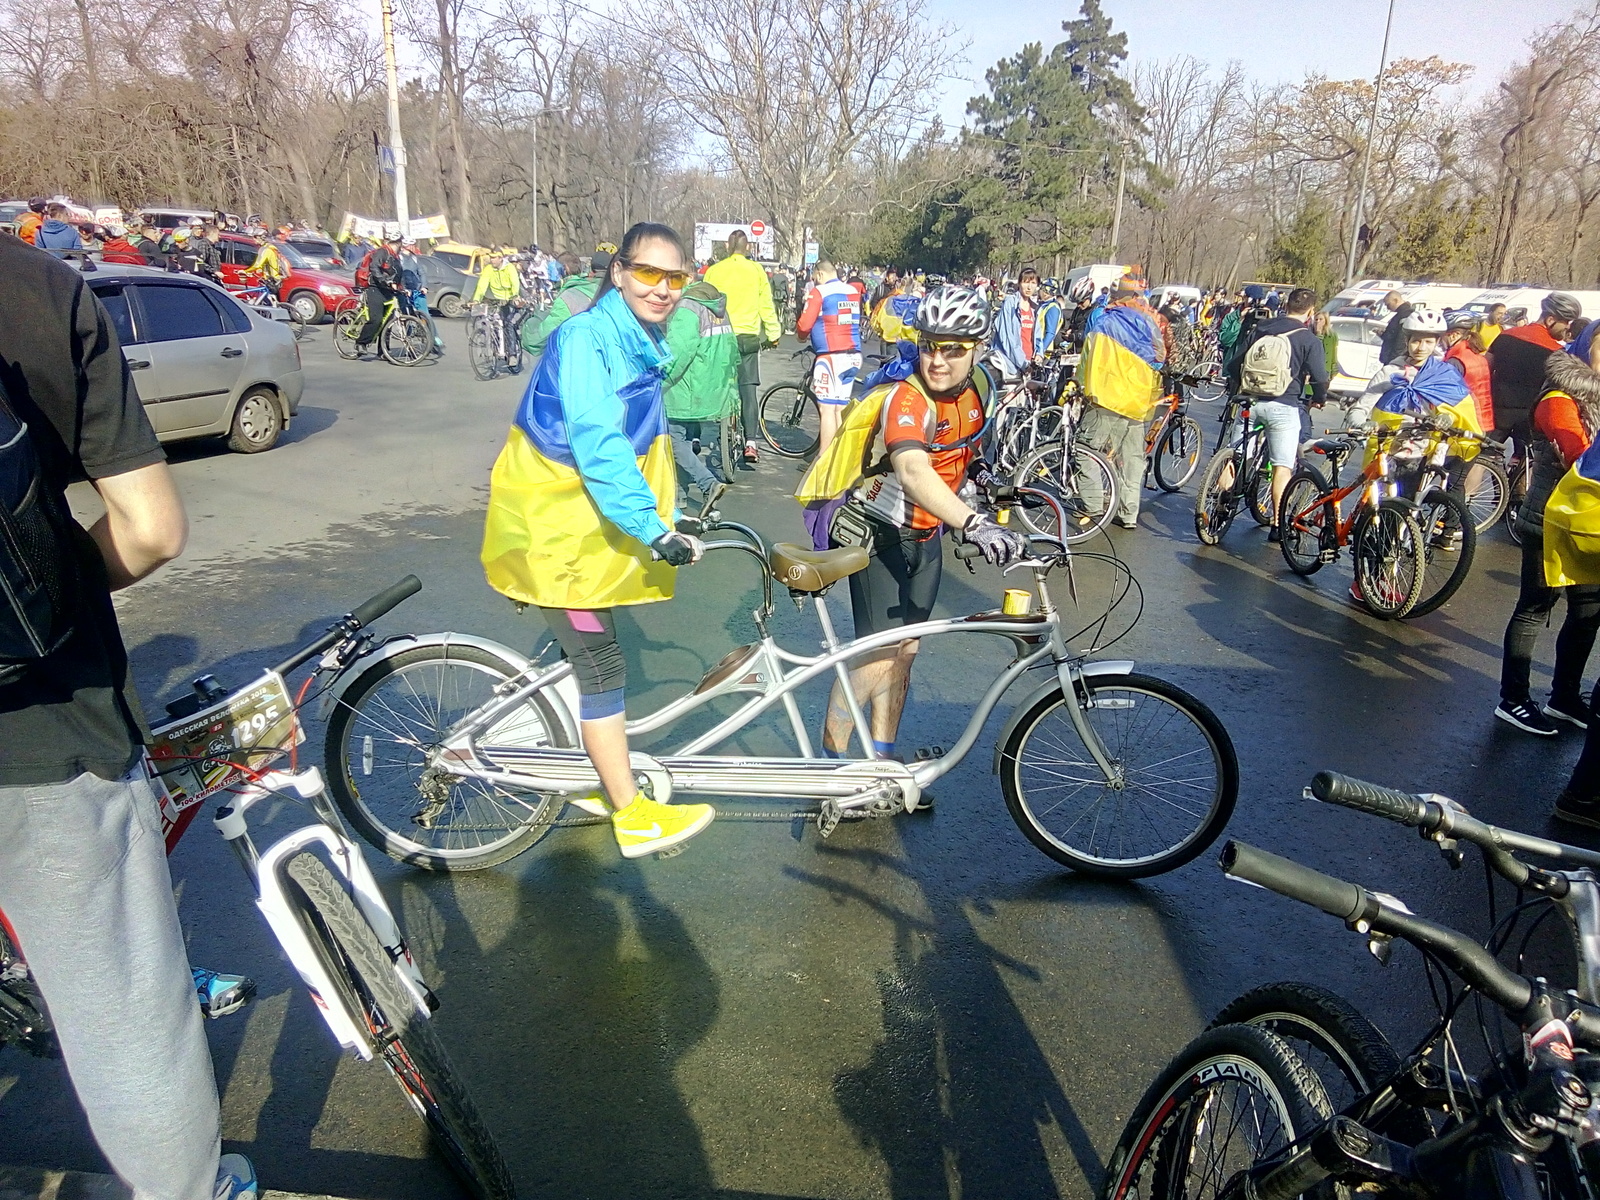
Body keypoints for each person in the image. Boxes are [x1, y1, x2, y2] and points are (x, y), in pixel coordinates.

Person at [0, 233, 258, 1200]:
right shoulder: (37, 291)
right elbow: (152, 527)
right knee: (125, 1006)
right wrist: (63, 599)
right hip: (42, 726)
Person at [480, 222, 715, 857]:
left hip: (581, 531)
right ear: (618, 272)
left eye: (675, 278)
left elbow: (647, 442)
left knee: (589, 666)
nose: (661, 289)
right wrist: (653, 532)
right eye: (647, 274)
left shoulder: (637, 338)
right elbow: (600, 446)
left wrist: (681, 502)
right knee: (604, 668)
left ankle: (591, 772)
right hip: (558, 534)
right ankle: (632, 814)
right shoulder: (588, 338)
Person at [819, 285, 1028, 759]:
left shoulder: (981, 388)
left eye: (953, 348)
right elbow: (913, 470)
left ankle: (883, 765)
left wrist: (979, 474)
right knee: (874, 658)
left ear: (978, 348)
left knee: (906, 653)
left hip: (926, 537)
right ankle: (831, 770)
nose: (937, 359)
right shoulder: (906, 399)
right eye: (930, 344)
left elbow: (966, 445)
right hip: (879, 534)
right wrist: (973, 523)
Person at [1496, 352, 1600, 740]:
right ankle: (1513, 698)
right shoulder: (1558, 398)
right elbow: (1580, 457)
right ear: (1586, 349)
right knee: (1535, 607)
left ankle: (1565, 697)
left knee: (1588, 609)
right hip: (1551, 522)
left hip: (1590, 527)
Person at [1077, 273, 1169, 530]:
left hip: (1107, 398)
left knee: (1086, 450)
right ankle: (1128, 513)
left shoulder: (1104, 321)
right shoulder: (1150, 322)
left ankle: (1095, 505)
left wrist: (1081, 385)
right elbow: (1159, 358)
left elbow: (1088, 357)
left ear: (1116, 296)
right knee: (1131, 458)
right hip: (1138, 400)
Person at [1236, 288, 1329, 534]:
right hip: (1284, 405)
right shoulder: (1309, 340)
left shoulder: (1262, 328)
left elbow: (1238, 360)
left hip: (1251, 401)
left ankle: (1217, 500)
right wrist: (1319, 398)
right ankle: (1278, 524)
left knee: (1236, 456)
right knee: (1282, 466)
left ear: (1286, 305)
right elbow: (1320, 378)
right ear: (1310, 311)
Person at [703, 230, 780, 468]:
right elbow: (765, 304)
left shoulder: (714, 271)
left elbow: (705, 303)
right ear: (747, 248)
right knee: (748, 391)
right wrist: (774, 333)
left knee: (721, 384)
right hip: (747, 337)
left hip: (721, 336)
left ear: (728, 246)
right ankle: (751, 442)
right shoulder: (756, 270)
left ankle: (720, 424)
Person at [664, 280, 738, 501]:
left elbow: (677, 355)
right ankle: (680, 496)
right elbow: (731, 348)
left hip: (685, 389)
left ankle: (708, 484)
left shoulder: (688, 308)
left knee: (673, 440)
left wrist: (657, 381)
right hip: (709, 387)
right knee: (683, 441)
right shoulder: (717, 307)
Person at [1489, 292, 1581, 452]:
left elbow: (1485, 369)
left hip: (1497, 410)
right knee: (1528, 463)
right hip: (1530, 416)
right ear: (1550, 320)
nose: (1567, 327)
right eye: (1566, 322)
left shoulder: (1505, 336)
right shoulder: (1557, 352)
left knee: (1480, 458)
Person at [795, 261, 863, 454]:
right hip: (853, 354)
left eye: (815, 277)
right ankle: (839, 457)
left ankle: (824, 460)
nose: (815, 281)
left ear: (820, 274)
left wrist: (801, 337)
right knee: (839, 408)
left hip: (830, 356)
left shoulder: (819, 292)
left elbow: (805, 325)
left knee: (826, 410)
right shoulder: (851, 291)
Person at [524, 251, 609, 360]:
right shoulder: (620, 292)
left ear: (565, 269)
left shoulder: (568, 298)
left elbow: (536, 342)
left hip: (580, 363)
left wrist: (533, 321)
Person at [355, 229, 405, 358]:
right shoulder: (382, 251)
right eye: (401, 243)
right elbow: (374, 267)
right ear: (398, 243)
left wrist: (402, 288)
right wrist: (385, 281)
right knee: (376, 319)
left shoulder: (396, 256)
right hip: (375, 288)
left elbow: (398, 274)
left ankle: (383, 351)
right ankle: (361, 343)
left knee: (387, 322)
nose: (402, 245)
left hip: (389, 291)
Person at [1442, 310, 1493, 432]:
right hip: (1483, 421)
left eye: (1441, 336)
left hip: (1466, 422)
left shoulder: (1455, 361)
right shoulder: (1477, 355)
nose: (1440, 342)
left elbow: (1445, 396)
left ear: (1453, 335)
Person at [472, 246, 525, 358]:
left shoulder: (509, 268)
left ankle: (512, 354)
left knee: (508, 324)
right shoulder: (488, 269)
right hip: (496, 301)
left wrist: (514, 296)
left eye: (494, 258)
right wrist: (476, 300)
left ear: (501, 258)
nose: (492, 260)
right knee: (491, 321)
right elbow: (482, 285)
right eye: (491, 257)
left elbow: (515, 283)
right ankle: (494, 346)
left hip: (509, 300)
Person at [993, 267, 1046, 376]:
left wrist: (1039, 354)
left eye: (1033, 283)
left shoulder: (1035, 308)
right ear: (1019, 283)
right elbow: (1007, 338)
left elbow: (1037, 336)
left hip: (1029, 364)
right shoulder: (1011, 303)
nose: (1029, 287)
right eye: (1025, 282)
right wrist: (1022, 363)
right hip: (1009, 366)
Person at [398, 239, 445, 358]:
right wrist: (403, 289)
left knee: (426, 315)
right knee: (407, 318)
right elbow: (399, 274)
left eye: (414, 244)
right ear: (405, 245)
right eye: (411, 244)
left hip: (417, 290)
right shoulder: (399, 258)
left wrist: (424, 286)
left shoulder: (415, 258)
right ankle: (409, 344)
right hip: (405, 291)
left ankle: (434, 338)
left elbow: (422, 273)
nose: (413, 246)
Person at [1377, 290, 1416, 366]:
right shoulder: (1401, 314)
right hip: (1394, 358)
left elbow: (1401, 341)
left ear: (1395, 300)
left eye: (1388, 304)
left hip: (1395, 360)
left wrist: (1394, 360)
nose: (1387, 307)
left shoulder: (1405, 315)